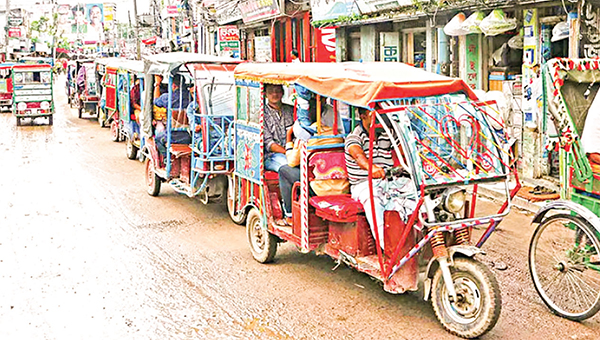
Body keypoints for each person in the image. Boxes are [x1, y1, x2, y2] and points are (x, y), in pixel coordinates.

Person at [345, 108, 415, 250]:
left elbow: (403, 150)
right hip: (363, 184)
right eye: (375, 113)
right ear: (363, 116)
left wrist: (413, 161)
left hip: (388, 180)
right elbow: (359, 156)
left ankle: (418, 234)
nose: (381, 117)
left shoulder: (387, 132)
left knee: (417, 191)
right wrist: (371, 168)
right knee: (373, 199)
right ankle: (387, 246)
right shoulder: (354, 137)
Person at [153, 75, 192, 156]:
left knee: (157, 139)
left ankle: (166, 158)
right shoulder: (190, 97)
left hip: (172, 137)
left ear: (173, 85)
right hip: (189, 136)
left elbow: (156, 101)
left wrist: (157, 84)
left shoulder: (169, 97)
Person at [263, 84, 294, 172]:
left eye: (277, 91)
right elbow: (269, 144)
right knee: (288, 167)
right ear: (265, 94)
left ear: (282, 93)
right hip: (272, 156)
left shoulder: (291, 110)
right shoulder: (262, 114)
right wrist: (287, 152)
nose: (274, 94)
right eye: (271, 92)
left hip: (292, 151)